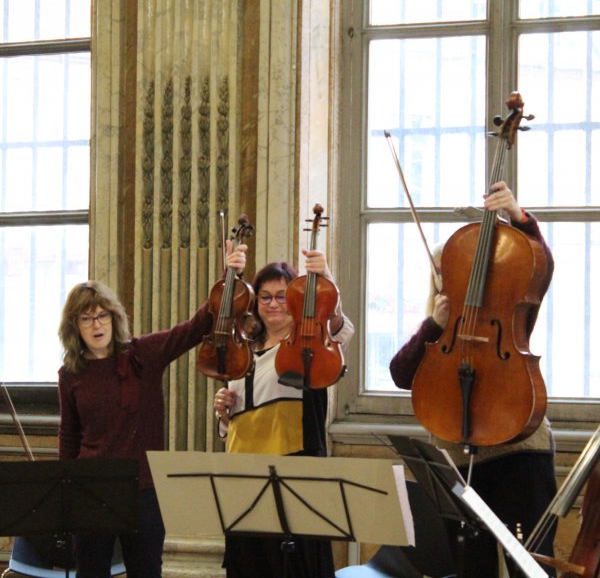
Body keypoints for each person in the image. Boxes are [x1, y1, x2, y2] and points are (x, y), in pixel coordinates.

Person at [389, 181, 557, 578]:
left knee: (529, 565)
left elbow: (540, 267)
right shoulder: (437, 326)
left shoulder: (511, 301)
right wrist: (434, 325)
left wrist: (521, 220)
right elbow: (401, 375)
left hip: (518, 449)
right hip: (459, 459)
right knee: (470, 568)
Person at [57, 244, 247, 578]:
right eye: (86, 318)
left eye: (102, 315)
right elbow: (69, 435)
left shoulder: (142, 354)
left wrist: (229, 274)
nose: (96, 324)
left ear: (114, 319)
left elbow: (196, 326)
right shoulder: (71, 373)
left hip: (143, 489)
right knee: (90, 572)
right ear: (75, 327)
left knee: (146, 571)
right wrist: (65, 491)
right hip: (91, 487)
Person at [213, 248, 355, 578]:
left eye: (281, 296)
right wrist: (224, 412)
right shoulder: (242, 348)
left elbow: (339, 325)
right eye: (264, 297)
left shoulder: (309, 345)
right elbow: (239, 418)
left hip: (294, 471)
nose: (273, 304)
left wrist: (327, 279)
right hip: (246, 478)